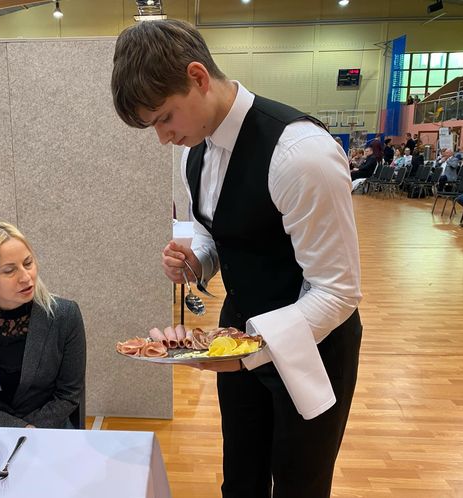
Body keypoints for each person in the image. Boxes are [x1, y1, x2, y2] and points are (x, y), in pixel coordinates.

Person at [112, 20, 362, 498]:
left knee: (300, 484)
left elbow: (338, 290)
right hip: (239, 332)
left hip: (314, 344)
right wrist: (196, 259)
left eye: (165, 117)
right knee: (241, 478)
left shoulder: (301, 154)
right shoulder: (194, 153)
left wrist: (247, 352)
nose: (163, 137)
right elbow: (213, 231)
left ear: (198, 77)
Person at [0, 222, 86, 429]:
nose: (25, 277)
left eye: (28, 263)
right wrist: (16, 428)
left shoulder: (64, 316)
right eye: (9, 270)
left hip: (47, 430)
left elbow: (68, 395)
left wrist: (31, 430)